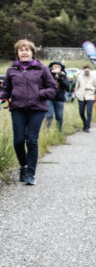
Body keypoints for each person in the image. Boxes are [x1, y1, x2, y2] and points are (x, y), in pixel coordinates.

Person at [0, 39, 57, 185]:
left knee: (32, 140)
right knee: (18, 141)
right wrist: (2, 96)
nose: (24, 52)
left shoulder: (42, 69)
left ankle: (31, 173)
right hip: (17, 108)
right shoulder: (11, 70)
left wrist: (39, 93)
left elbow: (52, 88)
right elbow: (5, 89)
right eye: (21, 50)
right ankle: (24, 165)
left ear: (32, 52)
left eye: (27, 49)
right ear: (17, 53)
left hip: (37, 109)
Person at [44, 61, 71, 131]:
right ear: (51, 67)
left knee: (59, 117)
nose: (56, 68)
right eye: (55, 66)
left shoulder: (63, 76)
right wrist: (53, 76)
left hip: (59, 99)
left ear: (61, 68)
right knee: (49, 115)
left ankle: (59, 131)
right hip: (49, 99)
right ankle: (46, 131)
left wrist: (60, 78)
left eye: (58, 67)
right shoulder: (47, 75)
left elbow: (68, 87)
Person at [74, 64, 96, 132]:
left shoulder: (93, 77)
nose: (87, 70)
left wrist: (91, 88)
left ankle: (87, 127)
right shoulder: (79, 77)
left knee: (89, 112)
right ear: (83, 69)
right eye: (85, 68)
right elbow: (76, 87)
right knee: (81, 112)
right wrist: (77, 94)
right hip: (81, 96)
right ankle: (85, 123)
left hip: (90, 96)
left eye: (88, 68)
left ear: (90, 70)